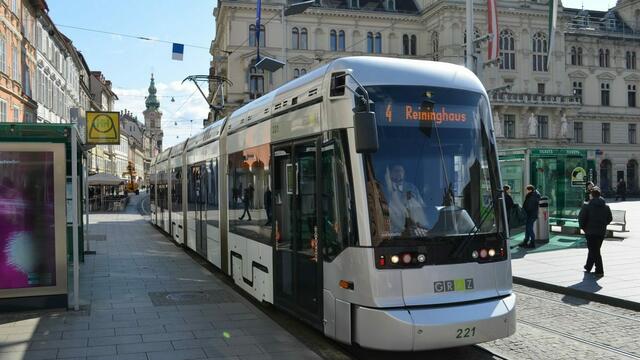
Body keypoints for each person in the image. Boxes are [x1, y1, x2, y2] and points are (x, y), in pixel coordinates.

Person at [579, 186, 612, 277]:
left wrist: (583, 228)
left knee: (595, 251)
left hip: (590, 232)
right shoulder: (606, 206)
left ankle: (599, 271)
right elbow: (609, 218)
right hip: (601, 232)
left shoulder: (587, 206)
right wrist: (603, 225)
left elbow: (581, 218)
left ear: (592, 195)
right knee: (594, 249)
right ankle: (588, 266)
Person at [386, 164, 427, 234]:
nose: (399, 173)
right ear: (390, 173)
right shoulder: (385, 189)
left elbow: (422, 206)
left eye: (401, 171)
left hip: (415, 229)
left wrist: (411, 200)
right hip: (393, 232)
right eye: (396, 171)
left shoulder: (412, 188)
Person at [520, 184, 540, 248]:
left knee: (529, 228)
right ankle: (526, 241)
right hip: (531, 214)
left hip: (531, 214)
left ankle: (532, 242)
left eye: (527, 190)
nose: (526, 191)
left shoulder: (532, 196)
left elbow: (529, 206)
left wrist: (524, 211)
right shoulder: (532, 195)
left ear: (530, 190)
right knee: (528, 228)